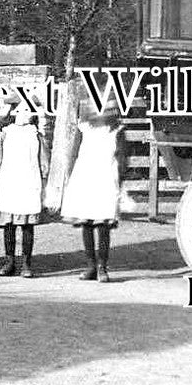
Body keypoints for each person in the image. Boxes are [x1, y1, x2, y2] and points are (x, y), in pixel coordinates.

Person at [60, 98, 126, 282]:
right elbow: (74, 153)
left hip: (106, 179)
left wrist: (119, 180)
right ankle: (90, 265)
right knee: (86, 223)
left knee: (103, 224)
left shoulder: (117, 131)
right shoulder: (84, 129)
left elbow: (122, 157)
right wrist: (71, 176)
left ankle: (102, 267)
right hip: (85, 178)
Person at [0, 95, 48, 278]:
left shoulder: (36, 135)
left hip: (29, 183)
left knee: (27, 226)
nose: (24, 114)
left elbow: (44, 161)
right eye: (20, 110)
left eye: (28, 110)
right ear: (12, 112)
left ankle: (26, 263)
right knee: (9, 225)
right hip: (9, 183)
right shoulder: (5, 134)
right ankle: (9, 261)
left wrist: (44, 183)